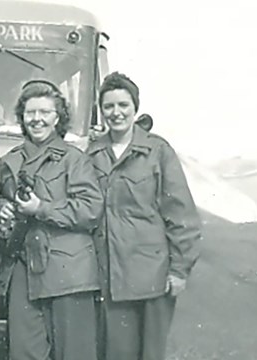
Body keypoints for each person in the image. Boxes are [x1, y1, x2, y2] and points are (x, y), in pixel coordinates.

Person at [86, 72, 201, 360]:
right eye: (109, 106)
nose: (116, 113)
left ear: (135, 108)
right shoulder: (93, 153)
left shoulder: (156, 151)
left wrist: (179, 270)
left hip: (153, 277)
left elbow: (181, 214)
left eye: (123, 105)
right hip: (111, 277)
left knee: (150, 355)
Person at [0, 80, 104, 360]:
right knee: (23, 353)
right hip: (23, 269)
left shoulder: (74, 160)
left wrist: (41, 207)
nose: (37, 119)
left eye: (45, 112)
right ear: (21, 117)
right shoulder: (9, 161)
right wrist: (2, 210)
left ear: (58, 118)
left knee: (74, 354)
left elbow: (90, 210)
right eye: (30, 112)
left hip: (69, 271)